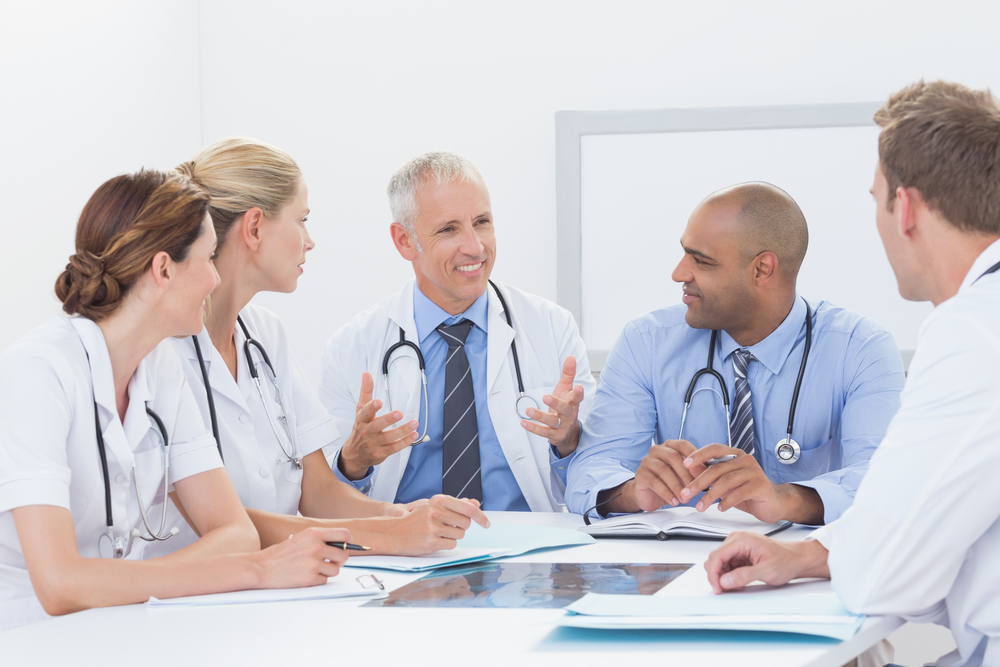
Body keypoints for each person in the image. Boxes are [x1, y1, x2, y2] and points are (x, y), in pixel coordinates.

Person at [704, 80, 1000, 667]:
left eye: (876, 197)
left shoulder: (974, 333)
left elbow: (884, 578)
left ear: (906, 208)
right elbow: (914, 519)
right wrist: (813, 552)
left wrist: (845, 554)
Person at [0, 170, 351, 630]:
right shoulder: (38, 371)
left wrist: (116, 582)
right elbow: (61, 584)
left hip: (125, 625)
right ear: (163, 269)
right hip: (28, 634)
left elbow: (236, 533)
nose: (215, 278)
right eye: (208, 259)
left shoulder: (160, 367)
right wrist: (256, 571)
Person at [143, 138, 488, 559]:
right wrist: (386, 536)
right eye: (301, 219)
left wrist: (397, 515)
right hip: (196, 597)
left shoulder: (265, 335)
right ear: (254, 228)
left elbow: (318, 489)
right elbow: (223, 522)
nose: (309, 241)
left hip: (285, 582)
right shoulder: (158, 351)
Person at [566, 181, 905, 525]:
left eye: (702, 261)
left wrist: (783, 499)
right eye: (685, 253)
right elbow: (587, 472)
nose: (679, 273)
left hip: (805, 568)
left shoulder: (860, 349)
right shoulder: (647, 342)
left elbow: (889, 482)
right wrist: (633, 492)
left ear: (762, 269)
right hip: (678, 558)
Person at [318, 152, 597, 511]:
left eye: (482, 222)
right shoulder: (350, 348)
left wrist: (569, 439)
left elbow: (595, 473)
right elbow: (325, 498)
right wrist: (353, 461)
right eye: (449, 229)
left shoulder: (552, 328)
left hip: (526, 545)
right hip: (409, 546)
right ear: (405, 241)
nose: (475, 246)